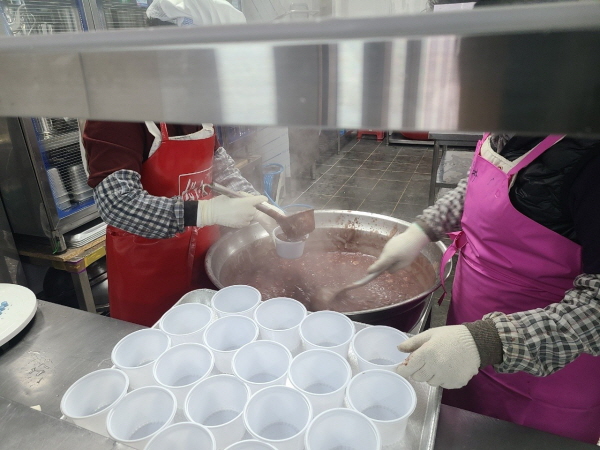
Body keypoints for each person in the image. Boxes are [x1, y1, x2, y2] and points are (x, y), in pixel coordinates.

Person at [368, 133, 600, 443]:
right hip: (461, 345)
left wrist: (487, 341)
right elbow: (479, 186)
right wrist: (423, 229)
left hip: (542, 384)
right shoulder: (510, 124)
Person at [82, 0, 277, 327]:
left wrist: (261, 206)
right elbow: (116, 204)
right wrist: (208, 212)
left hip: (202, 261)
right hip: (147, 276)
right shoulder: (117, 107)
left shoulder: (191, 97)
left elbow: (218, 163)